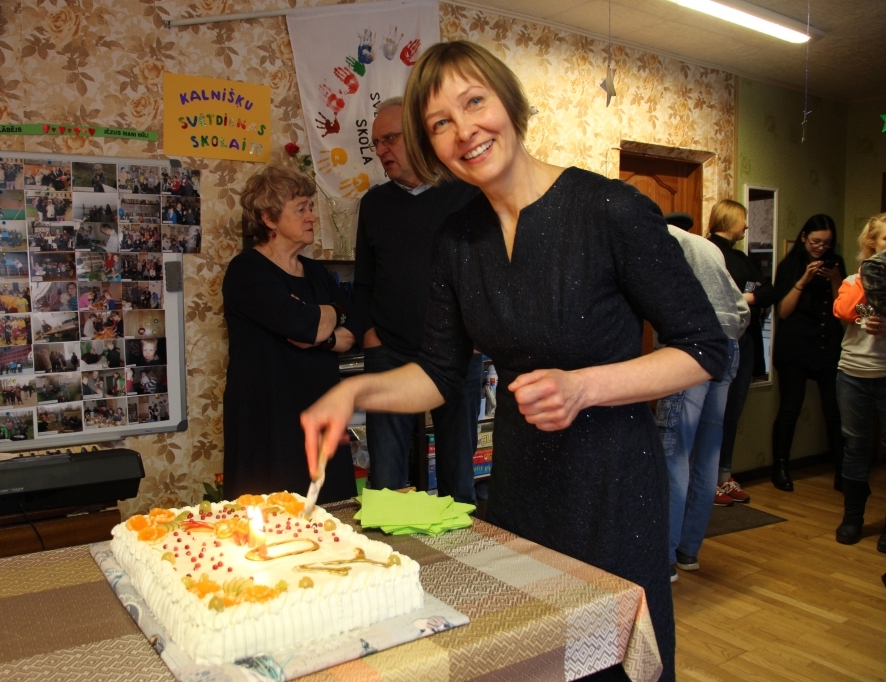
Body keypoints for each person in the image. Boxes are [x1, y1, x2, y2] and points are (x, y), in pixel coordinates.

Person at [300, 42, 726, 682]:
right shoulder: (459, 238)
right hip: (521, 493)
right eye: (441, 122)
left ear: (511, 104)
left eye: (475, 102)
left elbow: (703, 348)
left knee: (608, 663)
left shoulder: (609, 209)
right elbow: (440, 374)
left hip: (613, 491)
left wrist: (585, 387)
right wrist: (353, 395)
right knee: (533, 659)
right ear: (430, 144)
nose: (464, 130)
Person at [354, 96, 482, 504]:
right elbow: (364, 282)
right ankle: (393, 563)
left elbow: (490, 274)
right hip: (389, 352)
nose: (381, 151)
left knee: (458, 475)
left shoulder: (468, 195)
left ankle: (460, 564)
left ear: (418, 135)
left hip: (457, 352)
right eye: (376, 144)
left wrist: (479, 335)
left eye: (389, 139)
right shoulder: (374, 204)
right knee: (387, 482)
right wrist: (371, 338)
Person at [222, 164, 359, 504]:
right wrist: (320, 323)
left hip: (320, 412)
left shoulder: (315, 272)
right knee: (270, 522)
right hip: (269, 418)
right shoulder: (247, 270)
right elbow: (304, 326)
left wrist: (323, 329)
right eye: (301, 209)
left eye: (310, 207)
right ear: (269, 219)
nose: (311, 216)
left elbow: (348, 326)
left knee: (331, 514)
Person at [657, 213, 749, 581]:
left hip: (693, 348)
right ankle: (687, 553)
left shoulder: (661, 242)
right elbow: (740, 307)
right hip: (729, 347)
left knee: (674, 452)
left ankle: (663, 559)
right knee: (708, 453)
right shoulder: (706, 247)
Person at [707, 200, 785, 504]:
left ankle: (724, 476)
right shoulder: (707, 252)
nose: (747, 226)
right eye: (744, 220)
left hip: (746, 342)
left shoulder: (742, 257)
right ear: (731, 220)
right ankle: (707, 479)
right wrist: (746, 298)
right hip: (719, 342)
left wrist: (747, 296)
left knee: (732, 413)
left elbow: (771, 290)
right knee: (713, 414)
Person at [771, 214, 846, 491]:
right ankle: (780, 467)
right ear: (804, 237)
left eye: (827, 243)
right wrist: (803, 280)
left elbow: (843, 309)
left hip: (828, 343)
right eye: (816, 241)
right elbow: (784, 312)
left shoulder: (835, 264)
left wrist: (837, 277)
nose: (821, 247)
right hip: (795, 346)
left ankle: (842, 469)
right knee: (790, 407)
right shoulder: (789, 265)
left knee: (834, 410)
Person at [831, 213, 886, 552]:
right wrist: (873, 274)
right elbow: (844, 311)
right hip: (852, 375)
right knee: (855, 447)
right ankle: (853, 517)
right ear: (872, 244)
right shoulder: (854, 279)